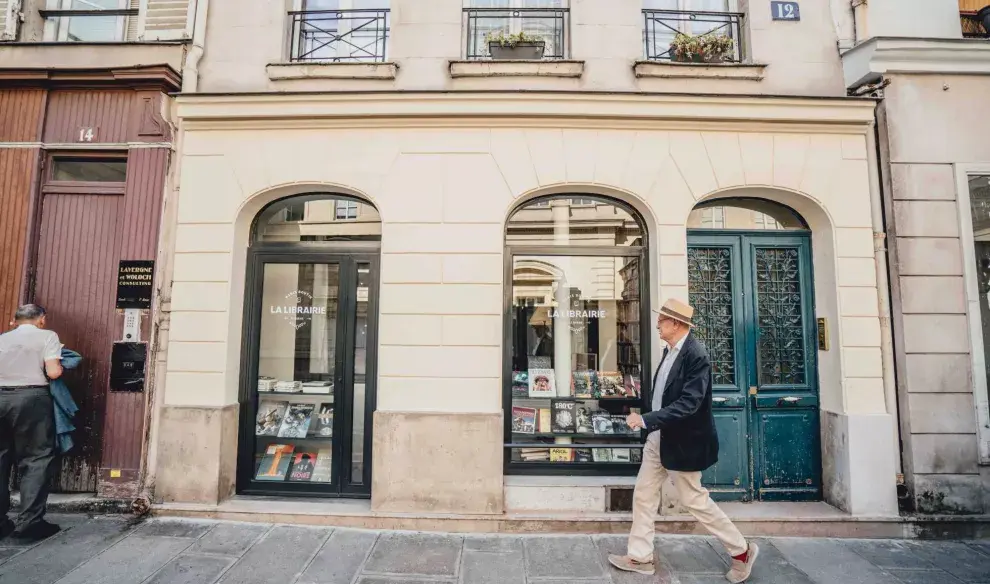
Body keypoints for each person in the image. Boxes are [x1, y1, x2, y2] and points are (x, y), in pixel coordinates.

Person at [608, 298, 759, 583]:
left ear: (676, 324)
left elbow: (690, 403)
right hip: (659, 438)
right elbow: (665, 394)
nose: (657, 325)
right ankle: (640, 556)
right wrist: (650, 421)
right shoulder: (670, 351)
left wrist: (646, 420)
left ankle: (742, 551)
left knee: (695, 500)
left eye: (662, 320)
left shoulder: (695, 355)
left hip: (682, 442)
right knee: (644, 494)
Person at [0, 304, 63, 542]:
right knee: (36, 458)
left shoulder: (3, 339)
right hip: (31, 398)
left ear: (15, 321)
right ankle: (29, 524)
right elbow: (54, 371)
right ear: (41, 320)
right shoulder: (47, 337)